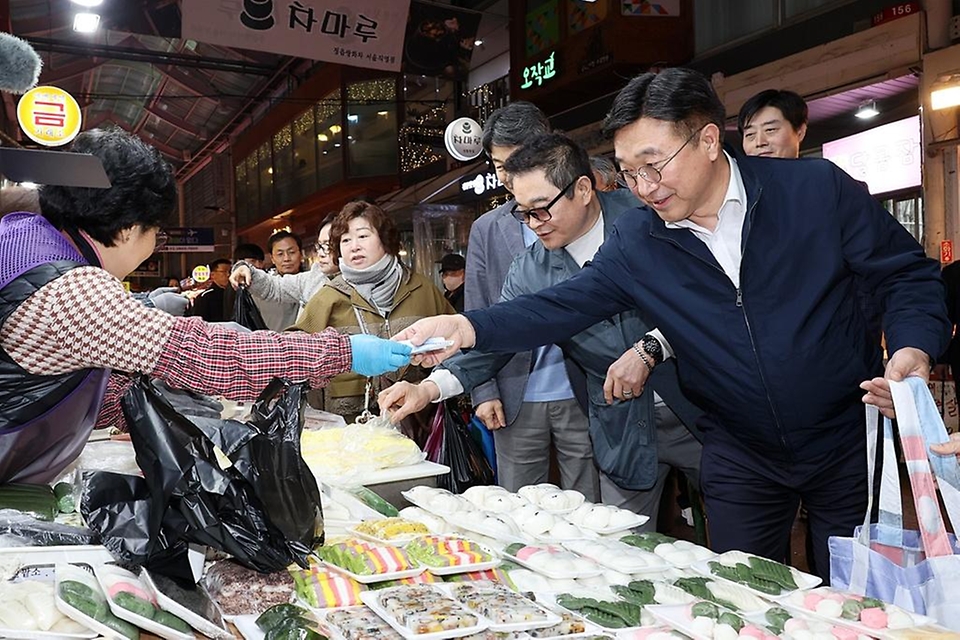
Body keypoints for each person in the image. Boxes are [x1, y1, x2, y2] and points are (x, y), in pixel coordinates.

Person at [394, 67, 949, 578]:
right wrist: (468, 330)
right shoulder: (642, 239)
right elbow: (564, 304)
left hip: (845, 437)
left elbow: (908, 276)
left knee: (852, 594)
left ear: (708, 140)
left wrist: (913, 347)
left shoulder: (814, 191)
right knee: (748, 592)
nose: (643, 187)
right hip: (739, 448)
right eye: (629, 172)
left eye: (653, 165)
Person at [0, 128, 410, 484]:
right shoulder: (70, 291)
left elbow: (67, 367)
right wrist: (344, 350)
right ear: (128, 230)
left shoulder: (24, 234)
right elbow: (209, 355)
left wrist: (146, 410)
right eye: (155, 231)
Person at [379, 133, 703, 529]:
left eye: (541, 210)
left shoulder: (649, 219)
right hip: (620, 423)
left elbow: (703, 295)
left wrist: (654, 346)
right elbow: (502, 335)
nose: (533, 225)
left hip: (698, 404)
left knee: (738, 534)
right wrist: (427, 390)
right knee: (626, 539)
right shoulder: (531, 268)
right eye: (523, 213)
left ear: (583, 189)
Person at [460, 101, 596, 498]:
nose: (504, 175)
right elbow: (478, 310)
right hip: (514, 392)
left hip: (581, 388)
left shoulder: (579, 210)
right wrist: (482, 391)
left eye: (512, 161)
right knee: (520, 507)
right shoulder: (488, 227)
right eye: (497, 165)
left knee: (589, 505)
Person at [292, 201, 453, 442]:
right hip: (348, 437)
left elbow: (457, 345)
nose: (354, 246)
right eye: (345, 240)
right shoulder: (328, 297)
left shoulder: (422, 289)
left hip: (421, 428)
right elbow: (294, 350)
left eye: (363, 236)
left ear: (385, 240)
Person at [229, 213, 338, 315]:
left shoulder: (352, 285)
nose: (321, 253)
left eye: (328, 246)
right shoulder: (312, 279)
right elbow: (273, 287)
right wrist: (246, 268)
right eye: (320, 246)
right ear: (272, 258)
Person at [737, 89, 807, 159]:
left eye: (770, 130)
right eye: (750, 134)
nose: (759, 142)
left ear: (800, 132)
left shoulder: (816, 169)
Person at [256, 230, 304, 330]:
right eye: (280, 254)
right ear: (272, 258)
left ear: (301, 254)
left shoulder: (312, 283)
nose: (286, 258)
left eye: (291, 252)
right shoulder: (263, 289)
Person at [186, 258, 234, 323]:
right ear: (212, 275)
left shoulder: (235, 293)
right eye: (224, 271)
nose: (228, 275)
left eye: (230, 271)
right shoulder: (204, 297)